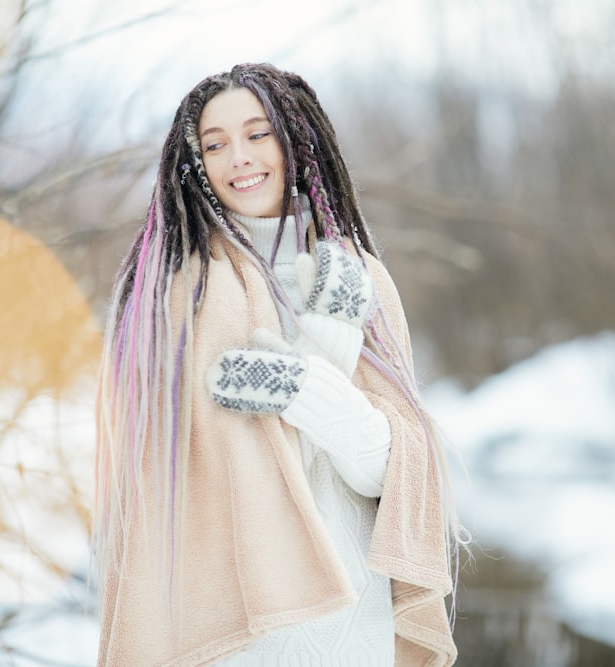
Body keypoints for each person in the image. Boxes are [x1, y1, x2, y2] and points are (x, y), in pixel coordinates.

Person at [94, 63, 466, 666]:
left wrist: (306, 383)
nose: (238, 157)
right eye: (215, 145)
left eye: (257, 133)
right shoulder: (177, 294)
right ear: (197, 165)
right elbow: (161, 487)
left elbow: (391, 477)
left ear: (296, 138)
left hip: (354, 610)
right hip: (237, 620)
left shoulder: (357, 280)